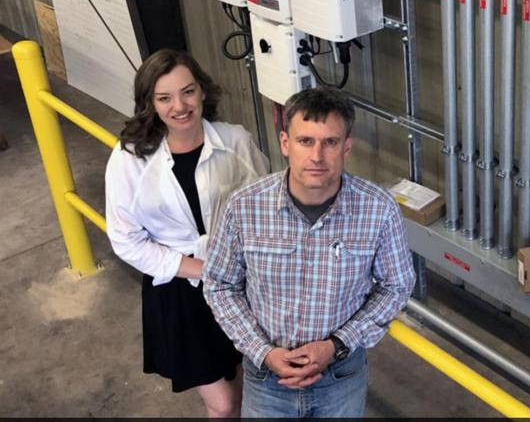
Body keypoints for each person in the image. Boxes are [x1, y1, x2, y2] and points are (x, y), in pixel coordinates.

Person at [203, 87, 415, 418]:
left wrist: (338, 344)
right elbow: (219, 284)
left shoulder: (379, 209)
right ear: (285, 143)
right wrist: (263, 352)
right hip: (266, 378)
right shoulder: (244, 206)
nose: (317, 155)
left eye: (330, 142)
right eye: (305, 141)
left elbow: (396, 286)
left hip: (341, 377)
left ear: (347, 147)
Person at [105, 49, 270, 417]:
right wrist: (202, 269)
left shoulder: (235, 140)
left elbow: (264, 207)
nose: (179, 106)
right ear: (150, 103)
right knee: (224, 404)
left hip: (239, 283)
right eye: (164, 98)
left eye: (188, 92)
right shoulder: (129, 158)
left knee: (245, 383)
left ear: (202, 91)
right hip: (180, 292)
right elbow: (125, 240)